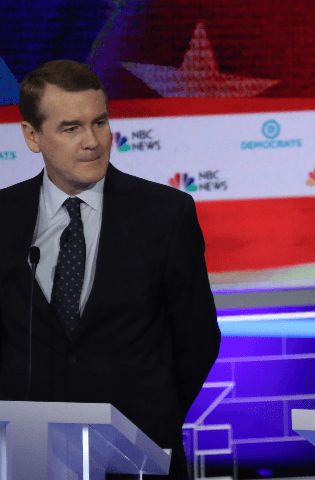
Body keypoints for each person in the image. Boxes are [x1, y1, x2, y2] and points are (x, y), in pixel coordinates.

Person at [0, 60, 221, 479]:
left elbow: (198, 339)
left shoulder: (165, 214)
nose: (92, 141)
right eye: (71, 128)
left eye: (99, 122)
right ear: (32, 135)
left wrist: (153, 416)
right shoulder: (4, 218)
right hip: (30, 457)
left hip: (139, 455)